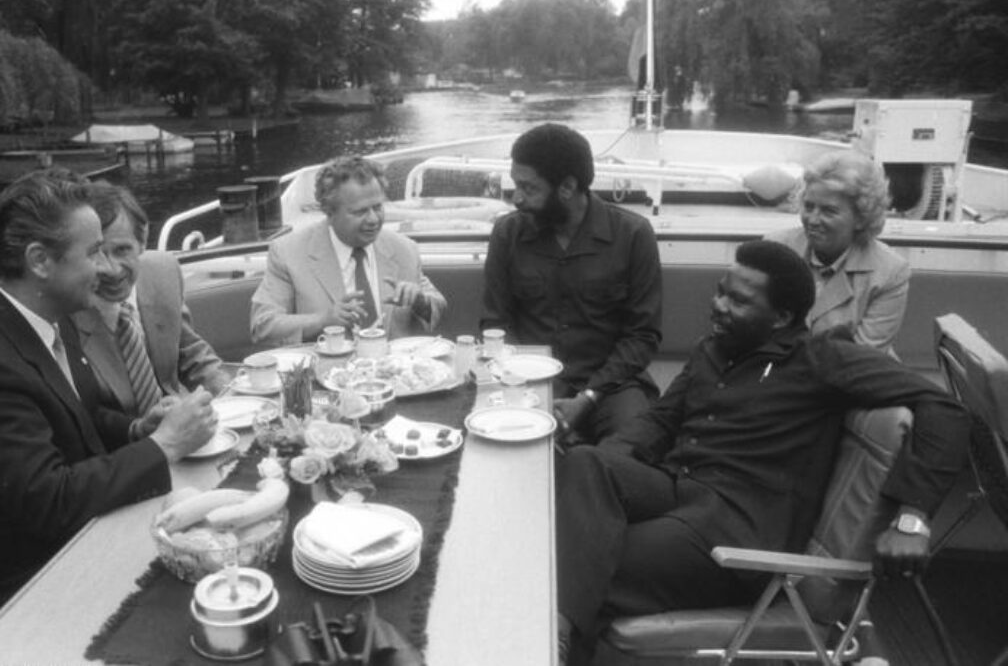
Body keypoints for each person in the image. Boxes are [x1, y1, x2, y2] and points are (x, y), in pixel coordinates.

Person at [555, 240, 969, 665]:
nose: (718, 305)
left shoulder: (820, 359)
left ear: (783, 318)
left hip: (735, 532)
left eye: (737, 300)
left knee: (575, 564)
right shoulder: (713, 350)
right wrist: (595, 491)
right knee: (587, 464)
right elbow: (658, 422)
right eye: (719, 291)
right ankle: (557, 639)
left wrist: (913, 517)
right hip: (681, 489)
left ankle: (553, 645)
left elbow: (944, 407)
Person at [0, 170, 217, 634]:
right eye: (92, 253)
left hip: (40, 531)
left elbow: (81, 414)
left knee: (207, 545)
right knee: (181, 598)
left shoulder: (50, 313)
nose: (106, 269)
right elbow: (49, 501)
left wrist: (136, 430)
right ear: (40, 261)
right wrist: (163, 446)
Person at [481, 123, 662, 443]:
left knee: (633, 449)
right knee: (518, 450)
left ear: (567, 187)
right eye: (515, 185)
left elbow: (642, 336)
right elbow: (496, 323)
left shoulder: (633, 235)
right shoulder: (507, 234)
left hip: (612, 384)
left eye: (529, 188)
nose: (517, 199)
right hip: (528, 381)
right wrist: (526, 388)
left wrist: (590, 395)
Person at [71, 183, 231, 428]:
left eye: (122, 250)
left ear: (143, 239)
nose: (111, 269)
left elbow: (190, 353)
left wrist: (228, 392)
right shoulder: (66, 310)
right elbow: (85, 416)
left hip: (183, 425)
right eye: (96, 254)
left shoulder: (163, 271)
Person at [250, 155, 447, 345]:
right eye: (360, 212)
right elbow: (262, 325)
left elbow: (437, 306)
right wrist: (322, 321)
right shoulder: (288, 253)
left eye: (377, 207)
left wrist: (420, 302)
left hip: (395, 373)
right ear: (329, 211)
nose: (373, 219)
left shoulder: (404, 248)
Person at [766, 149, 910, 355]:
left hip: (853, 379)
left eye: (828, 211)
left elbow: (864, 358)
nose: (813, 220)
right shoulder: (775, 248)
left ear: (861, 218)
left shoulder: (891, 272)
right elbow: (756, 330)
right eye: (808, 206)